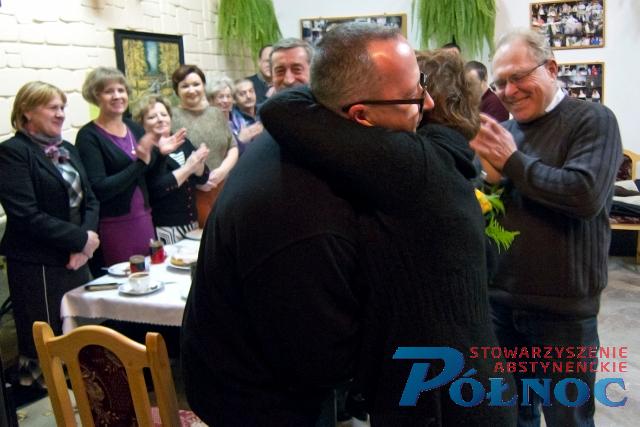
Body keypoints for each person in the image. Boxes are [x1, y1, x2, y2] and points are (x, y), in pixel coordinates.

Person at [260, 23, 515, 426]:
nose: (423, 99)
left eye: (421, 87)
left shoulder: (415, 166)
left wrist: (334, 89)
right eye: (416, 88)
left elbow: (279, 109)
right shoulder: (447, 165)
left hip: (440, 403)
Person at [181, 31, 360, 427]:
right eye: (280, 71)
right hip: (249, 390)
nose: (288, 78)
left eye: (298, 69)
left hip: (245, 370)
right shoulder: (281, 144)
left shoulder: (294, 139)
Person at [469, 28, 622, 427]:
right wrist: (489, 185)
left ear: (551, 69)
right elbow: (496, 207)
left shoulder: (593, 120)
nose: (509, 90)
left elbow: (583, 195)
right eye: (500, 82)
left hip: (562, 312)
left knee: (567, 418)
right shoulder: (508, 132)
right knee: (510, 416)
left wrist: (512, 163)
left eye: (519, 76)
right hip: (502, 304)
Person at [0, 81, 99, 389]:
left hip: (76, 258)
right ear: (27, 112)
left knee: (81, 334)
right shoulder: (12, 153)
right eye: (52, 107)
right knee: (50, 341)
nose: (60, 114)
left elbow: (91, 200)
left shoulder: (68, 148)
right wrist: (80, 240)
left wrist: (86, 242)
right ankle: (55, 405)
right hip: (38, 265)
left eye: (62, 107)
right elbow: (25, 215)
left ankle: (82, 400)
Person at [75, 67, 180, 268]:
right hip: (113, 225)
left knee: (151, 275)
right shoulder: (89, 136)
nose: (117, 96)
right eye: (109, 91)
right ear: (96, 96)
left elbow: (151, 179)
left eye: (121, 90)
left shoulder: (134, 128)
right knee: (125, 281)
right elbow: (100, 189)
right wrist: (140, 163)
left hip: (143, 219)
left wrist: (161, 155)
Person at [132, 95, 210, 244]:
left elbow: (203, 177)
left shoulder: (183, 142)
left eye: (164, 114)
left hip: (192, 222)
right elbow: (156, 189)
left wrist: (199, 164)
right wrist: (188, 168)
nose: (160, 119)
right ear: (141, 123)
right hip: (164, 227)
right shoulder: (145, 151)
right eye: (152, 117)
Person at [171, 64, 237, 227]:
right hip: (190, 195)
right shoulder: (171, 117)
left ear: (203, 86)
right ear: (176, 90)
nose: (192, 90)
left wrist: (222, 171)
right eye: (185, 86)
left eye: (196, 84)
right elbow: (169, 161)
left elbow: (233, 147)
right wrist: (198, 181)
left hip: (224, 188)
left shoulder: (216, 113)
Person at [230, 78, 264, 153]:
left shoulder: (265, 111)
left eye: (251, 91)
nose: (248, 96)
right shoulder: (232, 121)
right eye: (242, 94)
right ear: (234, 100)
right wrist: (240, 141)